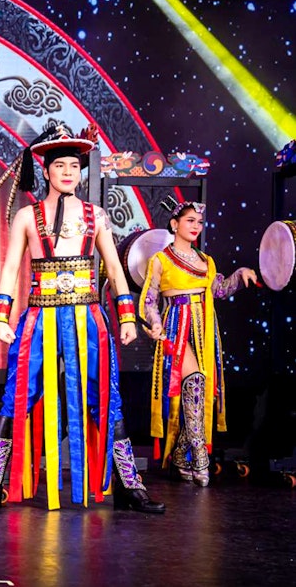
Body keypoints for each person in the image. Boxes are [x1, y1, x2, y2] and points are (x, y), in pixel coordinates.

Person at [0, 123, 165, 513]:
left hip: (88, 317)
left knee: (105, 395)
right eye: (59, 165)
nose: (67, 172)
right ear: (45, 171)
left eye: (73, 166)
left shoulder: (97, 216)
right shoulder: (27, 216)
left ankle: (129, 485)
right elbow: (10, 268)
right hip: (38, 317)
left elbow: (114, 268)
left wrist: (127, 317)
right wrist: (0, 317)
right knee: (18, 393)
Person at [138, 197, 257, 486]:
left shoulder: (206, 261)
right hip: (177, 328)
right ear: (174, 224)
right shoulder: (160, 260)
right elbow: (150, 300)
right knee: (194, 381)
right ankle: (200, 455)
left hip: (204, 329)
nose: (196, 226)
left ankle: (181, 456)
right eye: (190, 221)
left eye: (200, 222)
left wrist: (240, 274)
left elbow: (220, 290)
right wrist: (155, 323)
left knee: (201, 390)